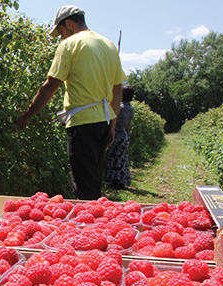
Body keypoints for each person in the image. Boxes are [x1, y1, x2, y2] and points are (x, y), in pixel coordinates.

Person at [15, 5, 127, 200]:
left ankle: (89, 227)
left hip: (82, 123)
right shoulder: (108, 45)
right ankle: (96, 222)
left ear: (69, 24)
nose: (61, 37)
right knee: (93, 180)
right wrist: (112, 126)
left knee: (84, 186)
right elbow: (117, 90)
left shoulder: (70, 44)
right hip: (104, 121)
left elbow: (50, 86)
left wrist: (27, 116)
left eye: (60, 32)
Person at [105, 84, 135, 189]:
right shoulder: (129, 108)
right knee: (122, 159)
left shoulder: (120, 108)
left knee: (115, 158)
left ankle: (116, 182)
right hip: (125, 136)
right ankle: (121, 180)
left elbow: (110, 116)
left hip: (117, 136)